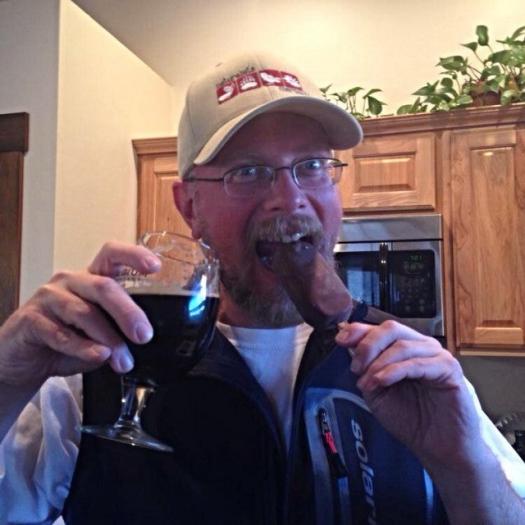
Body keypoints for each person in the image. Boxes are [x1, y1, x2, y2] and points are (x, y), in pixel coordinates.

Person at [0, 52, 524, 525]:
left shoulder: (419, 371)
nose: (290, 199)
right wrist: (6, 378)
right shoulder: (98, 369)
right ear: (189, 206)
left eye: (312, 166)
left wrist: (463, 466)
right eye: (248, 172)